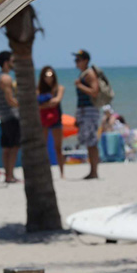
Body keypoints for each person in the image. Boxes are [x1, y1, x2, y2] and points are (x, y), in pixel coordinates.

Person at [73, 48, 107, 180]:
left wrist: (80, 86)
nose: (76, 62)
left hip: (90, 111)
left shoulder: (89, 74)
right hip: (84, 111)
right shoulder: (83, 74)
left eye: (78, 60)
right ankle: (92, 170)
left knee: (92, 142)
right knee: (89, 142)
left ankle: (94, 171)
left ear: (85, 61)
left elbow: (94, 91)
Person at [0, 50, 21, 183]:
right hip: (11, 116)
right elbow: (10, 100)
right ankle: (10, 175)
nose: (13, 63)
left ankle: (8, 175)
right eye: (12, 61)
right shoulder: (6, 78)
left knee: (7, 147)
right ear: (6, 63)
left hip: (4, 116)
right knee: (13, 147)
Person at [37, 65, 65, 178]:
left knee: (58, 148)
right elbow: (37, 106)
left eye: (51, 76)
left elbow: (57, 101)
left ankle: (62, 173)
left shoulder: (59, 88)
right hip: (43, 120)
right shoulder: (38, 89)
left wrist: (44, 104)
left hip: (56, 119)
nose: (49, 78)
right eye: (46, 76)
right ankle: (45, 172)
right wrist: (48, 104)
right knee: (43, 148)